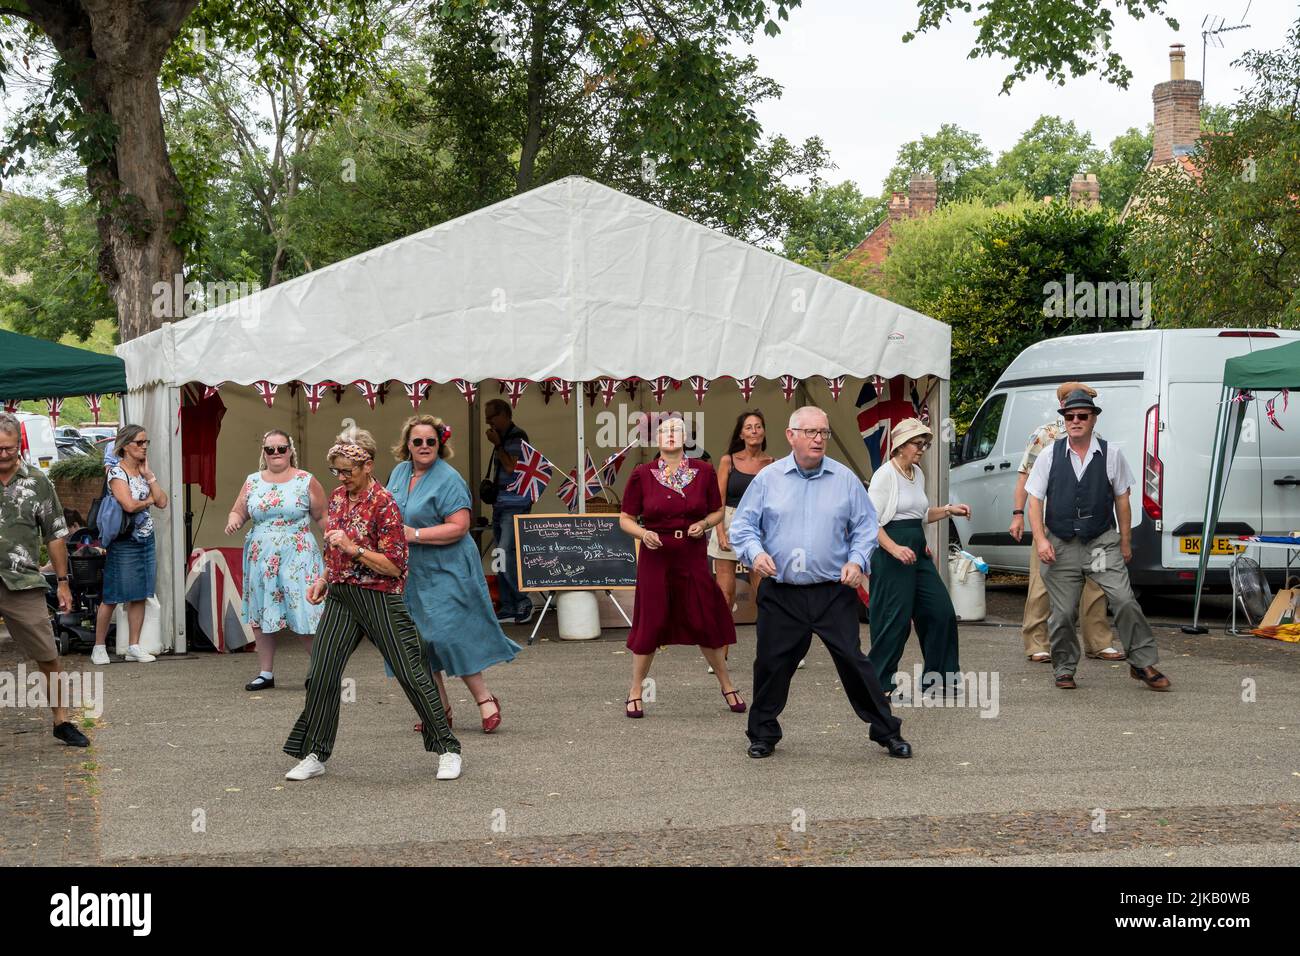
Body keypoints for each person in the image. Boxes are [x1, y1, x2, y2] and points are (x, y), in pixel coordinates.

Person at [729, 406, 911, 759]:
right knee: (771, 664)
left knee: (854, 662)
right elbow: (743, 526)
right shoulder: (768, 479)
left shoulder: (845, 479)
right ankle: (763, 733)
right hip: (781, 593)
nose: (818, 439)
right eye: (811, 432)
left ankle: (887, 731)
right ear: (790, 435)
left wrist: (858, 561)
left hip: (832, 592)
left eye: (824, 433)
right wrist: (755, 553)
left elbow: (865, 527)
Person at [283, 426, 462, 781]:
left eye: (348, 470)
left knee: (412, 673)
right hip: (342, 597)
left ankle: (447, 748)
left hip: (380, 597)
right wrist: (323, 578)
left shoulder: (385, 504)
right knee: (320, 674)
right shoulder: (336, 498)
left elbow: (395, 565)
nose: (342, 477)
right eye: (337, 470)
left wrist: (355, 549)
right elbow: (331, 547)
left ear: (367, 466)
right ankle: (315, 751)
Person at [1026, 389, 1170, 691]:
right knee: (1063, 612)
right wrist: (1040, 540)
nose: (1075, 421)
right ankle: (1064, 668)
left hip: (1101, 542)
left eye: (1082, 416)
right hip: (1061, 542)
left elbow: (1122, 499)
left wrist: (1125, 541)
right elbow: (1035, 500)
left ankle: (1142, 663)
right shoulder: (1050, 453)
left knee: (1125, 600)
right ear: (1064, 420)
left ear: (1093, 419)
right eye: (1070, 416)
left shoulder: (1111, 453)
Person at [387, 415, 520, 734]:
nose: (423, 446)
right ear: (407, 444)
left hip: (448, 566)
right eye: (417, 441)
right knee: (419, 641)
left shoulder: (449, 479)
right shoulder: (399, 472)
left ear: (439, 444)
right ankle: (439, 710)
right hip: (412, 571)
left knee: (449, 635)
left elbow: (459, 527)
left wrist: (414, 535)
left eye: (430, 441)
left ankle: (485, 699)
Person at [618, 415, 744, 718]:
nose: (670, 435)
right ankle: (636, 690)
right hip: (656, 554)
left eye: (676, 430)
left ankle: (726, 684)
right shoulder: (642, 474)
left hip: (691, 554)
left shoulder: (703, 471)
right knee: (651, 621)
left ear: (686, 437)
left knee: (703, 618)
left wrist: (703, 523)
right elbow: (625, 518)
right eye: (664, 431)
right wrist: (643, 533)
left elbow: (716, 511)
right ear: (657, 440)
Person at [1011, 381, 1126, 663]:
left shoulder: (1095, 437)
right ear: (1063, 405)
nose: (1078, 415)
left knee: (1096, 584)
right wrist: (1018, 514)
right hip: (1054, 526)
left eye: (1085, 406)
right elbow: (1025, 475)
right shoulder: (1045, 435)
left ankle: (1098, 642)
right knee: (1042, 583)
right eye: (1073, 407)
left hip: (1091, 530)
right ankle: (1037, 641)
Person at [0, 413, 89, 747]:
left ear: (19, 445)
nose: (3, 454)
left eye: (9, 448)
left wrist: (63, 581)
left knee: (47, 653)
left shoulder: (37, 482)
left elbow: (54, 535)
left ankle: (61, 720)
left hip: (22, 580)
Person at [865, 418, 970, 696]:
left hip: (916, 548)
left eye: (925, 443)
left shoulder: (917, 473)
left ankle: (940, 678)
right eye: (916, 443)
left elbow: (920, 514)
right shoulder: (884, 475)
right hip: (890, 549)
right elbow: (869, 522)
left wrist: (948, 510)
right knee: (894, 619)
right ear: (900, 446)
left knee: (940, 611)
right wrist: (894, 548)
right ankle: (879, 682)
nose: (922, 448)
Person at [224, 430, 326, 691]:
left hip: (298, 553)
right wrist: (234, 520)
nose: (276, 453)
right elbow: (238, 509)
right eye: (271, 449)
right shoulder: (253, 481)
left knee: (305, 611)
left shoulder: (306, 480)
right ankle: (265, 673)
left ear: (290, 450)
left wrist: (337, 541)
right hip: (261, 555)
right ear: (264, 452)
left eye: (281, 448)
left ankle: (321, 670)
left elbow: (323, 516)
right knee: (261, 612)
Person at [91, 425, 167, 665]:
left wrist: (150, 477)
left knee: (141, 593)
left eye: (146, 442)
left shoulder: (142, 473)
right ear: (125, 446)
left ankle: (134, 644)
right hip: (124, 540)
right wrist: (149, 501)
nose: (144, 447)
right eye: (139, 443)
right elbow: (129, 505)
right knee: (112, 594)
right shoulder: (116, 472)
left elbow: (163, 501)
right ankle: (99, 646)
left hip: (145, 539)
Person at [710, 409, 775, 614]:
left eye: (758, 426)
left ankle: (768, 642)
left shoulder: (772, 464)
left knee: (764, 592)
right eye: (749, 427)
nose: (754, 431)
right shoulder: (728, 460)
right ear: (741, 434)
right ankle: (722, 644)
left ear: (763, 432)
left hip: (758, 525)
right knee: (725, 595)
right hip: (728, 521)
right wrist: (720, 532)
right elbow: (717, 500)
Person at [484, 399, 534, 625]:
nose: (487, 421)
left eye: (491, 416)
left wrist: (497, 444)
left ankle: (523, 602)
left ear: (504, 415)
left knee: (505, 553)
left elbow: (511, 467)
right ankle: (507, 605)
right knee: (500, 555)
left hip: (515, 504)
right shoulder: (506, 438)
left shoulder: (517, 437)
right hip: (501, 504)